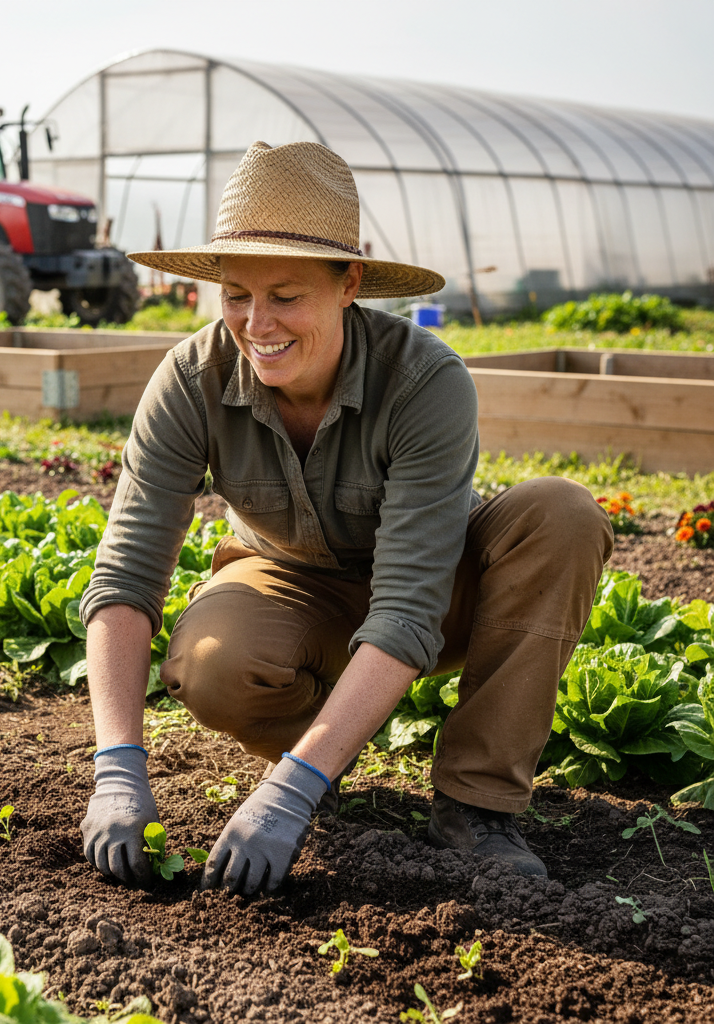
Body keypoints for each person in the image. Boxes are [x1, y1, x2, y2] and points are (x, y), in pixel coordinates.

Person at [78, 140, 613, 896]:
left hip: (445, 592)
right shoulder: (192, 380)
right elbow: (126, 574)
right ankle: (317, 755)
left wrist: (289, 793)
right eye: (236, 294)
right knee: (212, 662)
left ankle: (475, 801)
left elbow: (408, 609)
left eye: (286, 295)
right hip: (293, 585)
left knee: (562, 513)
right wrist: (116, 768)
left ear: (348, 283)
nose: (256, 323)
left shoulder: (424, 381)